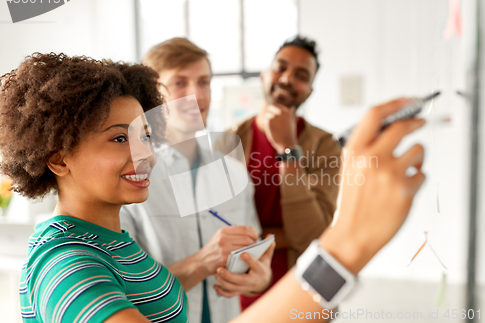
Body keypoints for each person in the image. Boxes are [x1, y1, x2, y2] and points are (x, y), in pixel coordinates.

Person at [3, 53, 425, 323]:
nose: (144, 154)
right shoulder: (66, 265)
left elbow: (147, 293)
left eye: (146, 135)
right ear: (58, 159)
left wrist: (213, 264)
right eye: (119, 138)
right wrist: (345, 248)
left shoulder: (112, 239)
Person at [120, 38, 273, 323]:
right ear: (151, 94)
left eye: (204, 82)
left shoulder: (235, 174)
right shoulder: (129, 176)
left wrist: (260, 278)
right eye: (180, 83)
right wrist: (201, 263)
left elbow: (254, 260)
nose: (196, 96)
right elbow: (123, 291)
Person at [231, 36, 343, 309]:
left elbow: (311, 234)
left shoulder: (325, 145)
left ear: (309, 91)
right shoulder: (230, 139)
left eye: (301, 75)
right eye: (280, 67)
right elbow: (222, 227)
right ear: (264, 75)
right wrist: (281, 236)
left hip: (304, 292)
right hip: (241, 291)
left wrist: (288, 148)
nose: (287, 78)